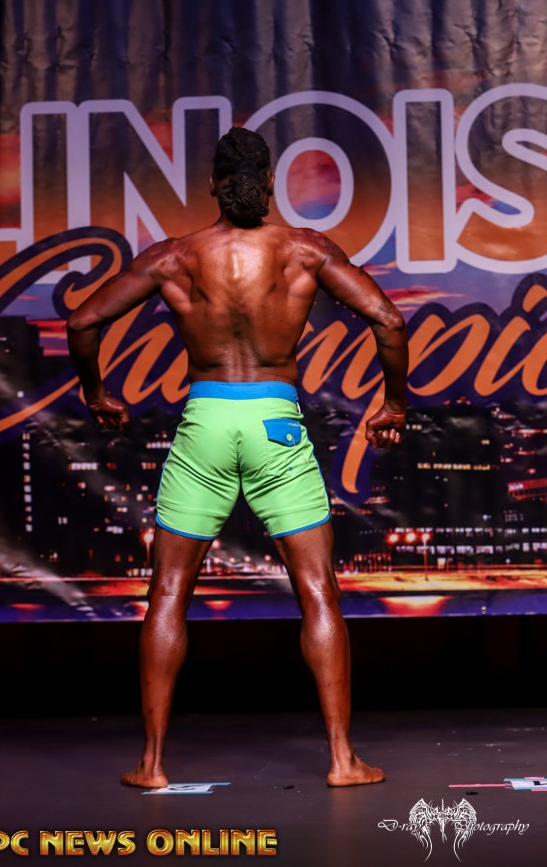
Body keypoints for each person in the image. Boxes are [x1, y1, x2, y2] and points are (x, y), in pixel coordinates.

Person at [66, 127, 408, 789]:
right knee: (318, 591)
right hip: (275, 424)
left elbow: (82, 322)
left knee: (168, 591)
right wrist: (393, 403)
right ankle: (343, 760)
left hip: (206, 424)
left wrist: (95, 392)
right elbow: (390, 321)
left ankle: (152, 764)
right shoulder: (305, 250)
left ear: (213, 185)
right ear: (271, 182)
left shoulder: (173, 257)